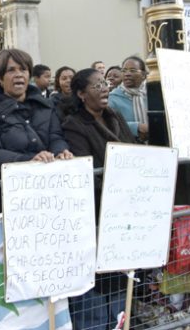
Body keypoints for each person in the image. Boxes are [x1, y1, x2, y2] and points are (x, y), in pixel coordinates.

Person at [61, 68, 135, 330]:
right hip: (96, 211)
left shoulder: (115, 116)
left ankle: (118, 322)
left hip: (124, 210)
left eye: (105, 83)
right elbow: (85, 171)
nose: (104, 88)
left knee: (119, 279)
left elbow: (132, 151)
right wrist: (117, 188)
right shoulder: (74, 125)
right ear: (81, 94)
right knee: (95, 282)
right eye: (96, 86)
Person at [0, 49, 73, 220]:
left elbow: (56, 136)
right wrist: (29, 161)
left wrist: (61, 151)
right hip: (7, 199)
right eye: (11, 70)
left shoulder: (45, 105)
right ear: (0, 78)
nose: (18, 75)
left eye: (23, 69)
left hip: (49, 195)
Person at [108, 56, 148, 142]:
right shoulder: (112, 98)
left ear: (143, 75)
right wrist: (136, 128)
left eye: (132, 70)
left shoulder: (153, 95)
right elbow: (108, 123)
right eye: (124, 71)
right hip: (127, 147)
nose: (127, 74)